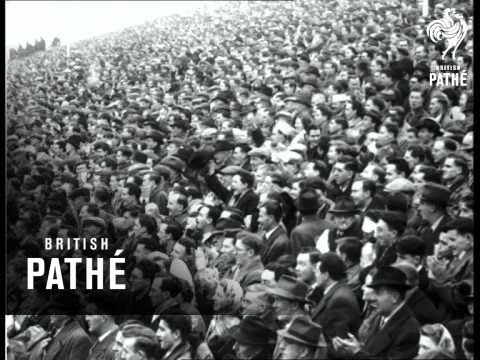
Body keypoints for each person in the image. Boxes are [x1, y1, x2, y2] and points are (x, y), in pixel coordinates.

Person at [332, 266, 421, 359]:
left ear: (394, 297)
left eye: (378, 293)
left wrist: (357, 352)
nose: (372, 298)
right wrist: (351, 348)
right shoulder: (379, 316)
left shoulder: (409, 329)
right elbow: (370, 350)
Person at [311, 252, 361, 342]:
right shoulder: (335, 292)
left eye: (317, 271)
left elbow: (339, 342)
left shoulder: (340, 300)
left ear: (326, 275)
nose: (314, 273)